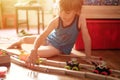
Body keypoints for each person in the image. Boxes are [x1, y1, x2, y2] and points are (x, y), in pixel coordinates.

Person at [8, 0, 92, 66]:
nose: (62, 15)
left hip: (58, 48)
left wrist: (88, 56)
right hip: (49, 39)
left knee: (37, 53)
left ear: (76, 11)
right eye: (60, 10)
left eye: (67, 12)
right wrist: (34, 49)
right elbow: (43, 35)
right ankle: (18, 43)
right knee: (25, 39)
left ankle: (28, 52)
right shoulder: (56, 20)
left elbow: (86, 38)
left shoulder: (80, 19)